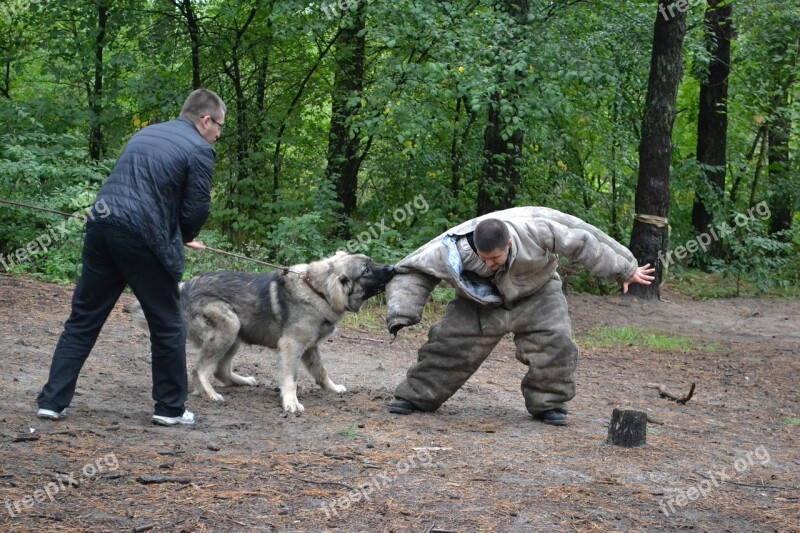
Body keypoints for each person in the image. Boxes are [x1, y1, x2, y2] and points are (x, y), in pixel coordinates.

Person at [36, 88, 226, 426]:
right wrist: (184, 235)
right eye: (219, 127)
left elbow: (139, 186)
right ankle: (169, 409)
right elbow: (197, 207)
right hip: (142, 235)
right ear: (205, 119)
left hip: (102, 225)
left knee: (83, 318)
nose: (218, 135)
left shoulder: (148, 132)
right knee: (167, 323)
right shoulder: (200, 148)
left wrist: (173, 231)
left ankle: (52, 402)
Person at [386, 206, 655, 426]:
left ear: (509, 243)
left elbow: (584, 240)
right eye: (484, 258)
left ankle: (548, 404)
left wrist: (624, 268)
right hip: (480, 302)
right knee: (449, 345)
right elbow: (411, 269)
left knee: (556, 342)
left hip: (539, 291)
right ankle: (418, 395)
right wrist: (402, 311)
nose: (490, 264)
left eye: (496, 257)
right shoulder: (451, 248)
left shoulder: (536, 227)